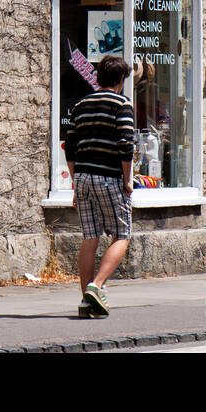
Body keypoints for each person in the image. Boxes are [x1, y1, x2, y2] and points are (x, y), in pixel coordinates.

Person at [64, 54, 135, 317]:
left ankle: (85, 301)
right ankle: (97, 285)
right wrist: (127, 180)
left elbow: (69, 146)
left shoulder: (81, 105)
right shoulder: (122, 104)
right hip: (109, 177)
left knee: (89, 237)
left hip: (82, 177)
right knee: (122, 234)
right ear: (120, 80)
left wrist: (74, 181)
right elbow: (125, 144)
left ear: (98, 77)